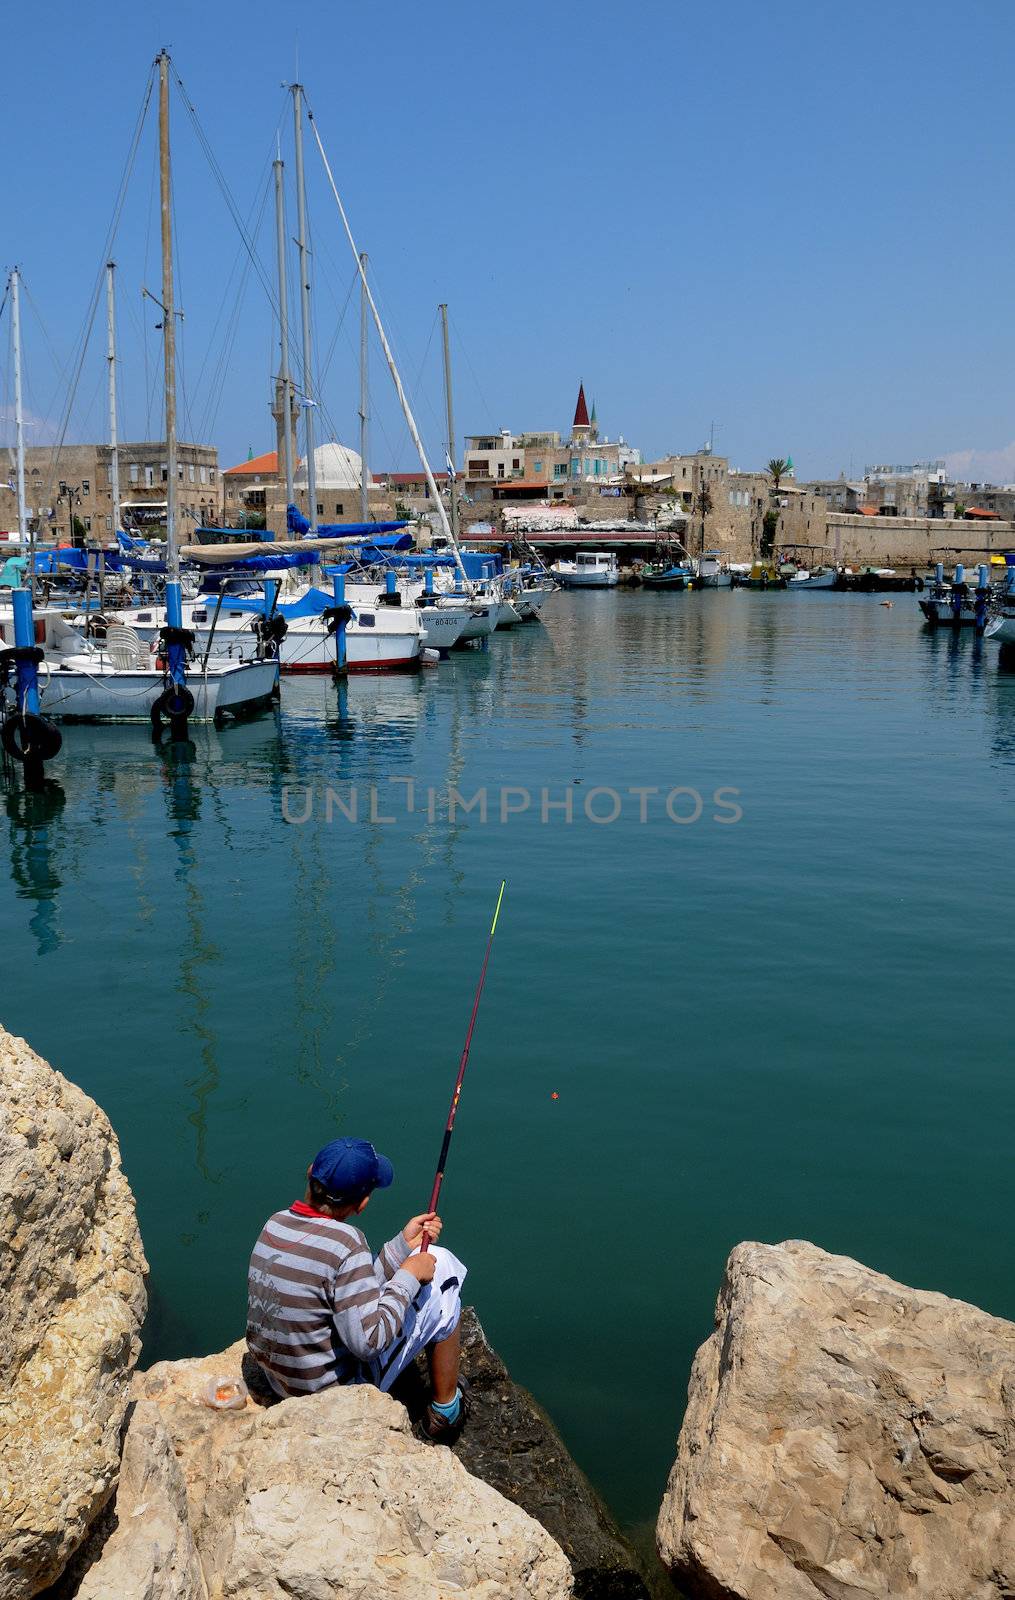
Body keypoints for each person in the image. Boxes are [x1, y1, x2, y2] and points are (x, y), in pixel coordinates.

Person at [246, 1136, 468, 1442]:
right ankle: (445, 1411)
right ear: (362, 1204)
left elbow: (341, 1288)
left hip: (280, 1381)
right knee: (442, 1269)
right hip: (329, 1397)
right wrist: (408, 1276)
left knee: (417, 1263)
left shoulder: (275, 1223)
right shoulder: (347, 1242)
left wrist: (402, 1247)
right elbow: (368, 1342)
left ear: (312, 1173)